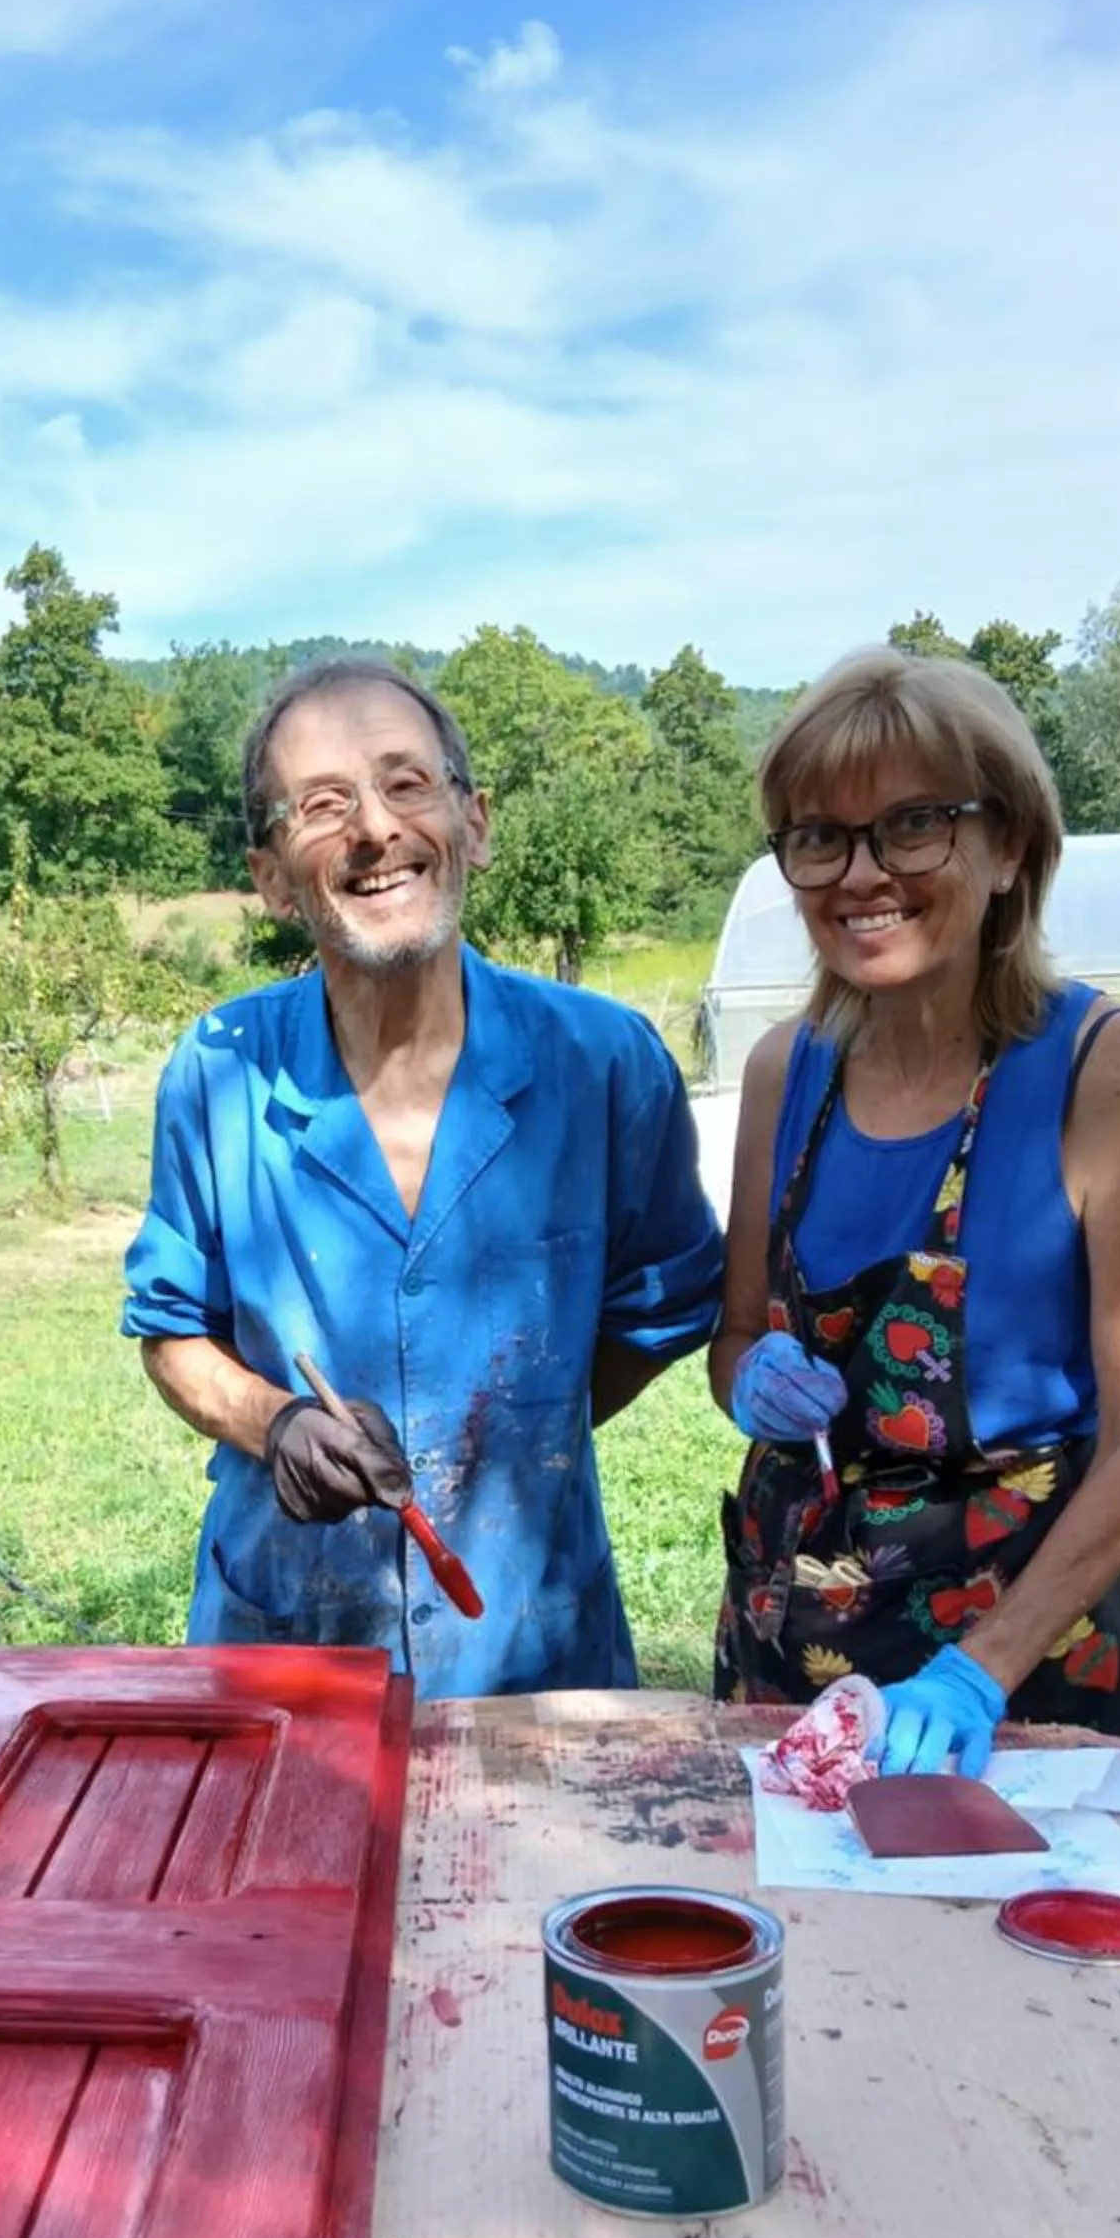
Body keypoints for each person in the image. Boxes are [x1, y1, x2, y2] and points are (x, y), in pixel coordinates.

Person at [125, 658, 727, 1698]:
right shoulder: (218, 1072)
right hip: (285, 1643)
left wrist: (514, 1426)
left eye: (408, 784)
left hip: (532, 1650)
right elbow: (173, 1332)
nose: (373, 829)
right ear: (271, 876)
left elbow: (664, 1306)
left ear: (475, 823)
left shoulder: (607, 1064)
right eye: (323, 805)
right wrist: (277, 1424)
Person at [710, 647, 1120, 1776]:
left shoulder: (1112, 1076)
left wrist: (979, 1668)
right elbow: (736, 1335)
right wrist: (749, 1381)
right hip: (793, 1648)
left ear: (1010, 843)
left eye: (914, 824)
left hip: (1015, 1667)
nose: (860, 872)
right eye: (819, 836)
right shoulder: (789, 1073)